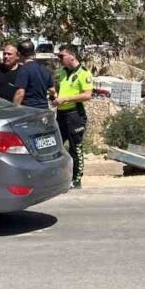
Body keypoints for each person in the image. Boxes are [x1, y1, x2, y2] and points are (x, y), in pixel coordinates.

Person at [54, 44, 94, 189]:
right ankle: (58, 176)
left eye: (61, 56)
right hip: (61, 113)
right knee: (56, 144)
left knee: (75, 147)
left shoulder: (84, 73)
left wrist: (66, 99)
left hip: (75, 114)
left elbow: (87, 95)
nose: (59, 59)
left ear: (72, 56)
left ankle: (77, 179)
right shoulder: (62, 72)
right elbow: (58, 89)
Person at [11, 39, 53, 110]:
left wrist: (13, 110)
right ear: (33, 53)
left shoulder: (24, 69)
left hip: (30, 110)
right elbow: (52, 90)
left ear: (18, 54)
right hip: (44, 109)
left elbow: (20, 93)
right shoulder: (44, 69)